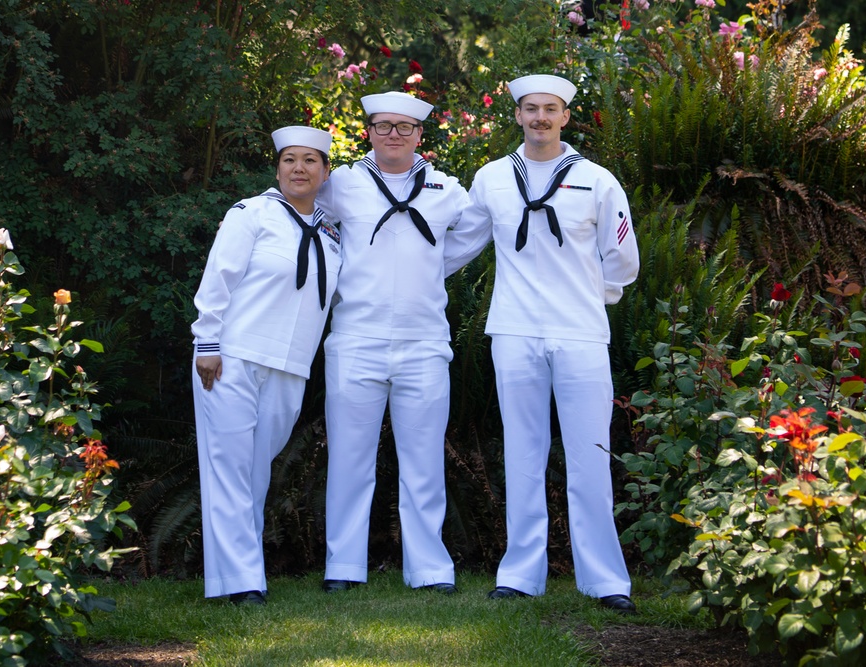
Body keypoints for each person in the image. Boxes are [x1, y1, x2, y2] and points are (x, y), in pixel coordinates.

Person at [445, 74, 640, 613]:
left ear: (565, 117)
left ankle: (605, 580)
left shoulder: (597, 180)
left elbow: (622, 258)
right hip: (514, 331)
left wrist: (588, 295)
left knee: (590, 456)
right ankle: (520, 574)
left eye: (549, 110)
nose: (539, 118)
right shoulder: (492, 179)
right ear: (517, 116)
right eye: (530, 109)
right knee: (523, 454)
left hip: (579, 333)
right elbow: (458, 245)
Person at [314, 91, 472, 594]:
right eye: (383, 126)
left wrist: (427, 271)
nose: (394, 135)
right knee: (349, 459)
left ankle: (429, 569)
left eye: (405, 127)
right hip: (355, 338)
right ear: (368, 132)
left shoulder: (447, 189)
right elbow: (309, 227)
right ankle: (343, 566)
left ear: (420, 135)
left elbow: (468, 237)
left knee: (423, 460)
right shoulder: (340, 185)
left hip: (424, 341)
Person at [190, 126, 341, 606]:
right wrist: (206, 343)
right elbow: (218, 278)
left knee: (255, 471)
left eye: (310, 161)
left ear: (325, 171)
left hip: (290, 365)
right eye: (290, 160)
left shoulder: (333, 233)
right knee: (229, 468)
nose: (300, 168)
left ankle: (230, 578)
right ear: (277, 168)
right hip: (231, 357)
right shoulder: (252, 213)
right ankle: (242, 583)